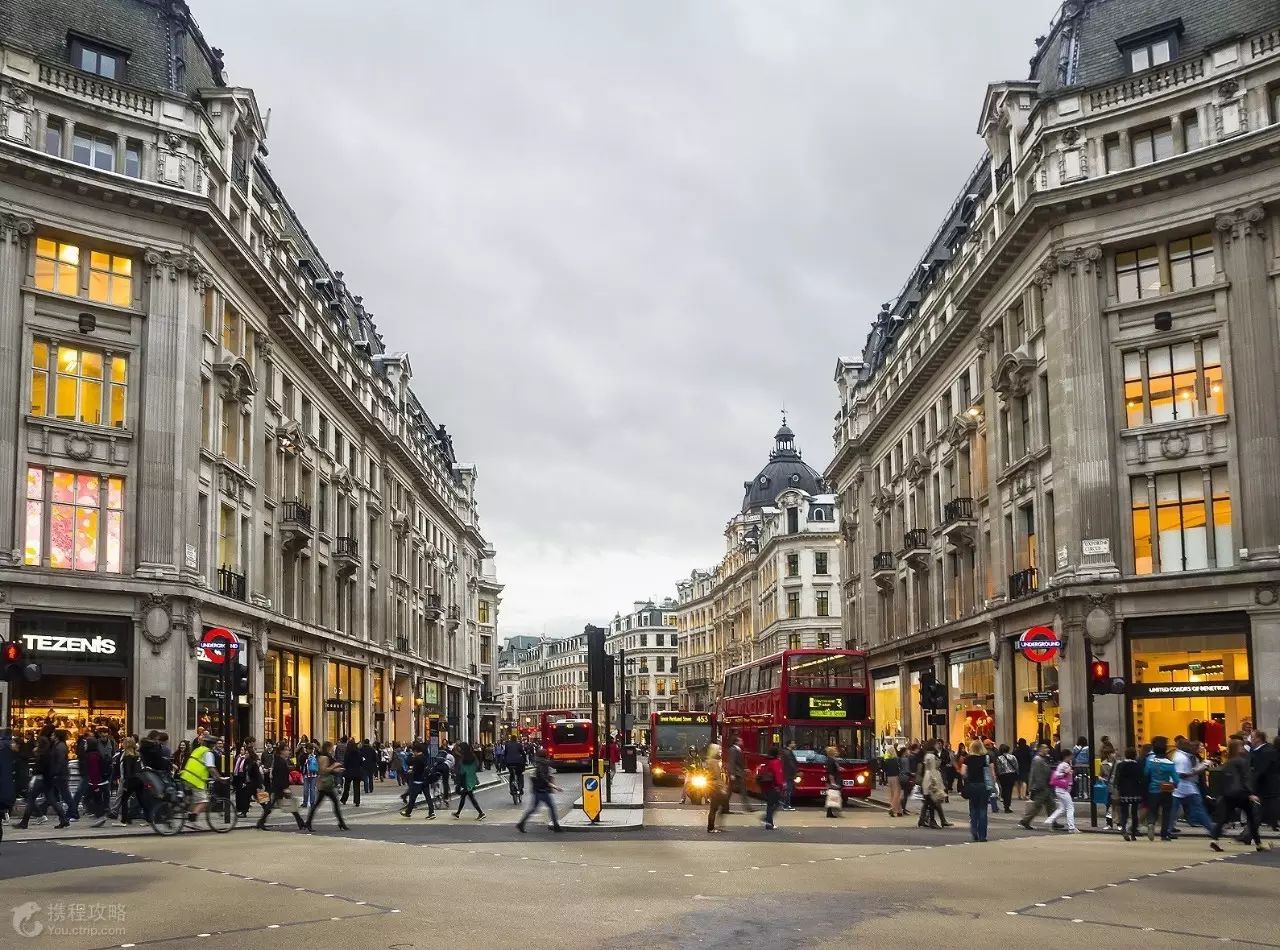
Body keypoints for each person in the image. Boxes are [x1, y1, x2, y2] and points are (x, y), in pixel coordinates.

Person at [1211, 738, 1266, 853]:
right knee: (1251, 818)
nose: (1243, 748)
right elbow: (1246, 778)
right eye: (1241, 746)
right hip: (1241, 794)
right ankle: (1259, 843)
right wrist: (1251, 793)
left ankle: (1215, 840)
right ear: (1237, 748)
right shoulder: (1242, 761)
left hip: (1228, 794)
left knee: (1224, 818)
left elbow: (1223, 781)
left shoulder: (1227, 763)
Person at [14, 736, 69, 830]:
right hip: (48, 780)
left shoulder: (42, 755)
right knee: (52, 800)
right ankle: (63, 819)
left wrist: (34, 776)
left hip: (40, 780)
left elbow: (39, 769)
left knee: (31, 800)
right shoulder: (49, 753)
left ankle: (24, 822)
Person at [257, 743, 305, 830]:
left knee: (286, 804)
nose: (288, 752)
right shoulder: (280, 761)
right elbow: (280, 776)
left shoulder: (279, 760)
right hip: (280, 787)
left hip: (279, 787)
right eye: (286, 750)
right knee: (281, 805)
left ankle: (300, 822)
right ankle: (261, 821)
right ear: (282, 751)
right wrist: (285, 787)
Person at [303, 741, 349, 831]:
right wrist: (334, 767)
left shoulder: (322, 756)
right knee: (333, 803)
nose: (332, 749)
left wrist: (336, 770)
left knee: (322, 804)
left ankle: (308, 822)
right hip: (325, 784)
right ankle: (341, 823)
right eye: (331, 747)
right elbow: (323, 770)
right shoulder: (324, 758)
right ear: (328, 748)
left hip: (324, 783)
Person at [1171, 739, 1214, 834]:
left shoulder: (1185, 756)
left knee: (1174, 810)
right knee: (1198, 808)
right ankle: (1211, 829)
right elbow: (1182, 774)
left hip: (1182, 787)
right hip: (1184, 786)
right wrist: (1199, 769)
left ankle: (1167, 830)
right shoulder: (1182, 758)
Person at [516, 747, 561, 833]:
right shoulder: (543, 764)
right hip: (542, 790)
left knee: (534, 809)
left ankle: (521, 824)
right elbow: (542, 777)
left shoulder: (539, 763)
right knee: (551, 807)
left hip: (538, 790)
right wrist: (552, 785)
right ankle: (556, 826)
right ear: (545, 755)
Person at [1142, 736, 1178, 841]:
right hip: (1166, 790)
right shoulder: (1170, 764)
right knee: (1166, 812)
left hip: (1153, 790)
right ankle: (1164, 834)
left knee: (1153, 810)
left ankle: (1151, 823)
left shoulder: (1150, 762)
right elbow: (1176, 779)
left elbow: (1146, 773)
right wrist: (1175, 785)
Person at [177, 735, 223, 818]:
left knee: (192, 799)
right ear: (213, 745)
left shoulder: (197, 750)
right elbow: (211, 768)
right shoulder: (208, 753)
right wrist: (219, 778)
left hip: (186, 776)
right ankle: (192, 816)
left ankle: (184, 810)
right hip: (195, 780)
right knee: (204, 801)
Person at [964, 739, 995, 842]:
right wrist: (993, 784)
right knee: (983, 810)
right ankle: (982, 836)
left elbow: (963, 772)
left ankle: (974, 830)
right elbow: (992, 773)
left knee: (973, 809)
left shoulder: (967, 759)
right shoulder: (987, 758)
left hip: (972, 785)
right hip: (983, 786)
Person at [1110, 747, 1144, 841]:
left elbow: (1117, 778)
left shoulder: (1121, 765)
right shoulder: (1138, 765)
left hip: (1124, 790)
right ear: (1135, 755)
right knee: (1134, 813)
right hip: (1135, 790)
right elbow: (1141, 778)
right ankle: (1133, 833)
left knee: (1124, 812)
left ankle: (1124, 829)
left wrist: (1117, 788)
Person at [1044, 749, 1078, 833]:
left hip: (1060, 789)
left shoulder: (1063, 765)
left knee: (1062, 808)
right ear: (1067, 756)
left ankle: (1049, 821)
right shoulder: (1064, 765)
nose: (1071, 757)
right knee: (1070, 808)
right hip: (1063, 790)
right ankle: (1071, 827)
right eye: (1070, 756)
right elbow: (1058, 775)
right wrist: (1066, 773)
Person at [399, 742, 436, 820]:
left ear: (415, 750)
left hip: (417, 780)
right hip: (425, 780)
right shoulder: (424, 757)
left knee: (412, 797)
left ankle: (408, 812)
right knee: (428, 797)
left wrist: (410, 755)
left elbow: (408, 762)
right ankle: (431, 812)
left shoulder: (416, 758)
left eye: (413, 751)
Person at [451, 743, 486, 820]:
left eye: (460, 748)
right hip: (472, 779)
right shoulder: (472, 756)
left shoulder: (463, 758)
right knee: (464, 796)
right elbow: (477, 765)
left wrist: (458, 784)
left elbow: (461, 772)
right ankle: (458, 813)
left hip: (466, 780)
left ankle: (481, 813)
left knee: (471, 798)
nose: (459, 750)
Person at [918, 741, 948, 829]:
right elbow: (933, 767)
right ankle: (932, 821)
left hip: (929, 777)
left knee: (929, 801)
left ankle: (923, 820)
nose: (938, 745)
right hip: (932, 777)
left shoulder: (927, 755)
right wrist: (934, 782)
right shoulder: (931, 756)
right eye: (936, 744)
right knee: (932, 801)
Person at [115, 737, 143, 826]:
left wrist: (125, 784)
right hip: (139, 780)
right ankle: (149, 817)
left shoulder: (127, 756)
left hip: (131, 781)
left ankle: (124, 819)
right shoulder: (137, 755)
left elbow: (127, 771)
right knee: (141, 799)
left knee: (124, 799)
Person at [725, 733, 753, 813]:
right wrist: (732, 774)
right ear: (736, 742)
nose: (742, 741)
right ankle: (747, 808)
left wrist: (745, 768)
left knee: (731, 792)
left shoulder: (737, 749)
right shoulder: (733, 750)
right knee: (735, 791)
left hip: (738, 773)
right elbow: (732, 762)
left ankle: (725, 807)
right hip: (736, 774)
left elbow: (738, 762)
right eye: (740, 740)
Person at [757, 746, 784, 829]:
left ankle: (769, 823)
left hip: (766, 785)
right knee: (777, 803)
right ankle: (767, 819)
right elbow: (777, 774)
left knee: (770, 804)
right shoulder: (776, 762)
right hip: (774, 786)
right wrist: (781, 785)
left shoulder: (767, 761)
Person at [704, 742, 728, 834]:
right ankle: (711, 827)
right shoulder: (714, 762)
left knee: (714, 807)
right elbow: (717, 776)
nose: (720, 751)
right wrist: (722, 787)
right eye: (719, 750)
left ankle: (712, 826)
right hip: (715, 787)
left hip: (711, 786)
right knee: (714, 808)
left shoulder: (709, 761)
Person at [994, 743, 1018, 813]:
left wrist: (998, 775)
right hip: (1011, 774)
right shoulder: (1012, 757)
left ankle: (1005, 802)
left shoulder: (998, 758)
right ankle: (1007, 805)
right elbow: (1016, 766)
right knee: (1009, 790)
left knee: (1004, 789)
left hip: (1002, 775)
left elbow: (998, 768)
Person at [340, 737, 362, 807]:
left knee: (347, 787)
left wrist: (345, 768)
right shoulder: (358, 752)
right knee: (357, 787)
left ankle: (344, 799)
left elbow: (345, 763)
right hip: (357, 771)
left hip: (349, 771)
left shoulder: (347, 753)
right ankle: (357, 801)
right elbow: (361, 762)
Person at [883, 746, 904, 817]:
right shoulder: (897, 760)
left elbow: (884, 769)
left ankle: (899, 811)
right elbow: (900, 769)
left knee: (892, 794)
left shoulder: (887, 760)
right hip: (896, 777)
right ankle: (893, 808)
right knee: (897, 794)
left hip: (889, 777)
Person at [780, 741, 799, 811]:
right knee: (788, 790)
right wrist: (796, 771)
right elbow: (791, 764)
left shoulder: (785, 752)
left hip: (787, 774)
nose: (794, 744)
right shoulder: (788, 753)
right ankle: (786, 805)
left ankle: (785, 804)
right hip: (789, 774)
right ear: (789, 744)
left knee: (788, 789)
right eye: (793, 743)